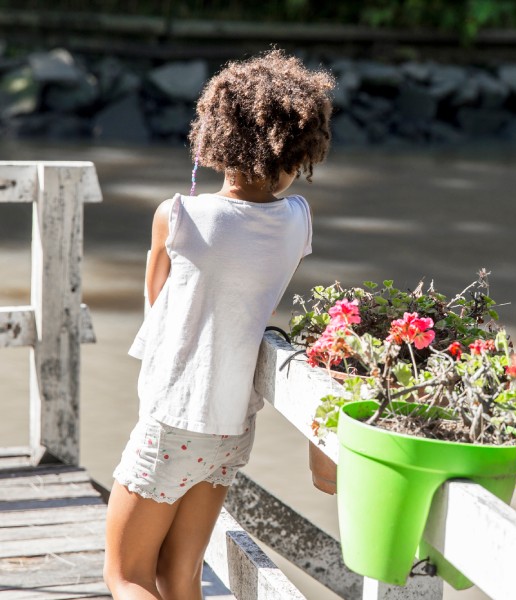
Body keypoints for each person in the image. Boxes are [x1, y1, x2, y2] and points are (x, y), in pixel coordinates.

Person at [104, 49, 333, 600]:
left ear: (217, 136)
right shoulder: (298, 222)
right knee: (179, 576)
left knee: (126, 576)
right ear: (296, 149)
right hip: (231, 428)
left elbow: (156, 297)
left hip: (172, 419)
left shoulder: (178, 215)